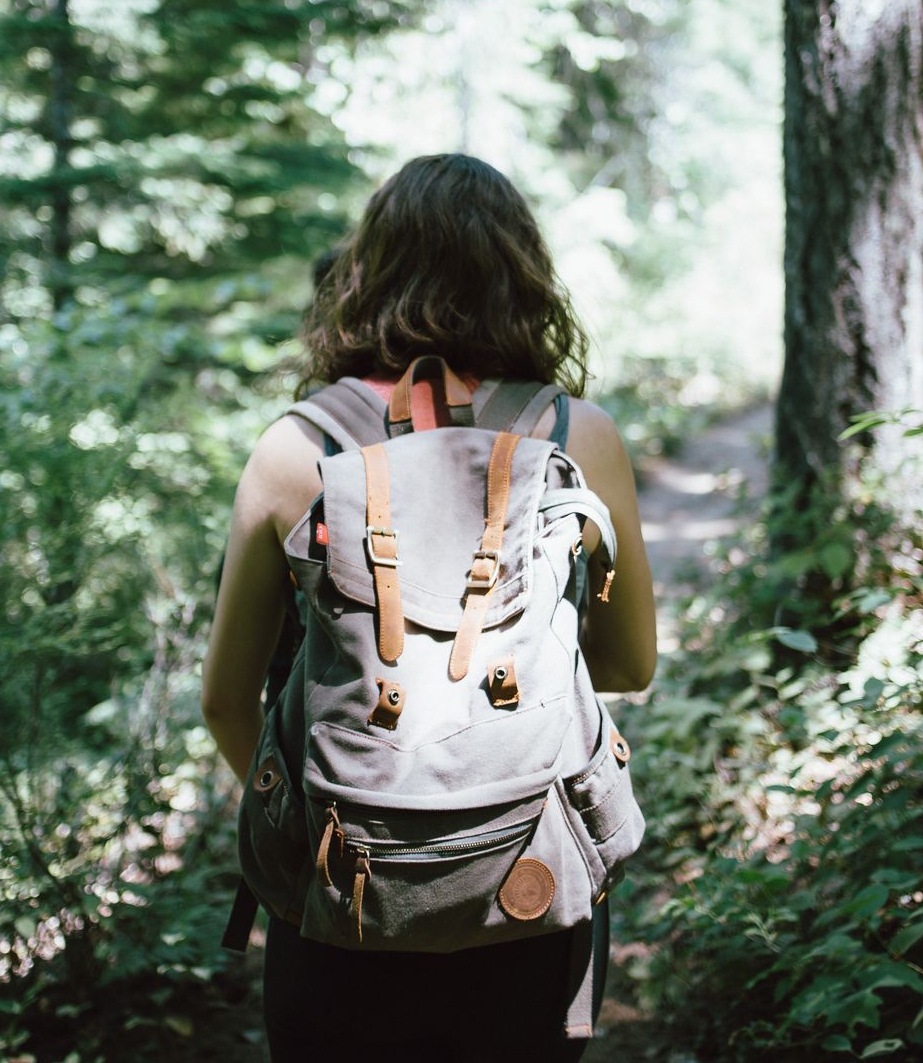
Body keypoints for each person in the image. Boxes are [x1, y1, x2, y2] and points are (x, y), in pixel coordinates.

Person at [200, 153, 657, 1060]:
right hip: (529, 884)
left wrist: (323, 812)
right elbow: (628, 667)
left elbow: (226, 699)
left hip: (340, 897)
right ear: (521, 276)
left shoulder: (298, 449)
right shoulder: (577, 435)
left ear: (367, 274)